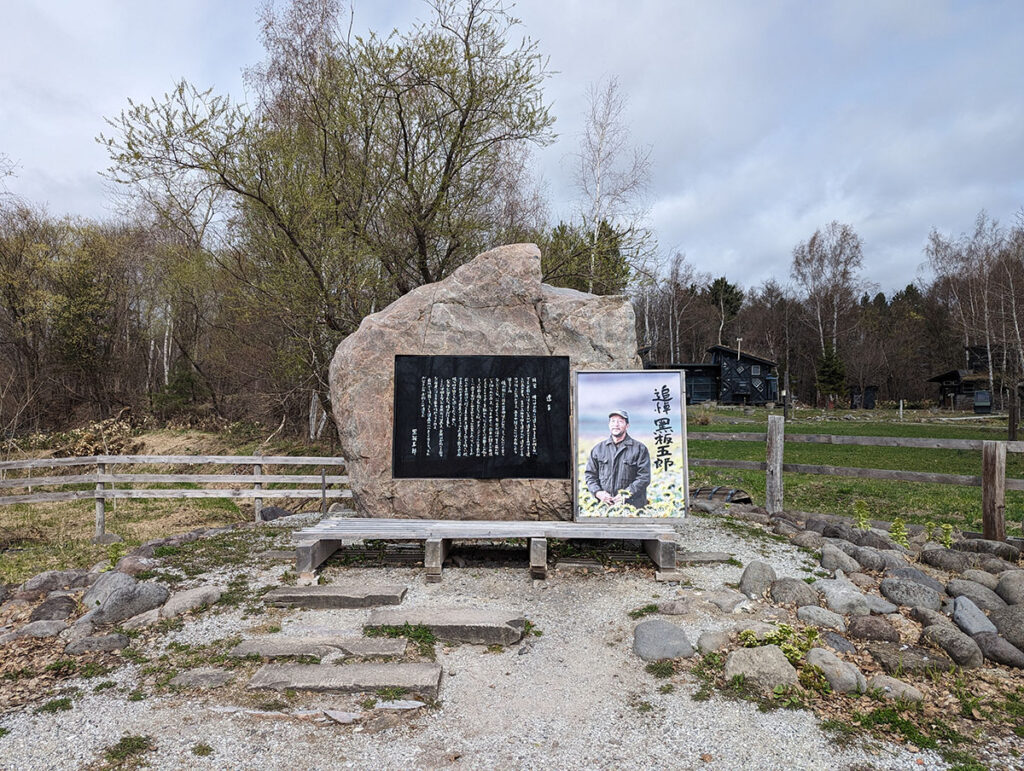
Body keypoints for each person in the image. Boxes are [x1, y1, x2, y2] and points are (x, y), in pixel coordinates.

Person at [584, 409, 651, 509]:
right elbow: (590, 475)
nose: (616, 424)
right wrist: (598, 493)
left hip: (632, 507)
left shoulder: (640, 449)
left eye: (620, 421)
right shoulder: (598, 449)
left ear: (627, 425)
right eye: (613, 421)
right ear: (609, 424)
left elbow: (644, 477)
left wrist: (627, 493)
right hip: (605, 507)